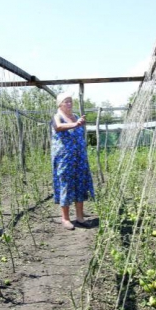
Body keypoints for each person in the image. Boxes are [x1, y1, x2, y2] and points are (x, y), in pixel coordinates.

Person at [51, 92, 95, 230]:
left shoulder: (75, 117)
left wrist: (78, 122)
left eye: (70, 101)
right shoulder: (57, 117)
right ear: (60, 104)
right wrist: (76, 124)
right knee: (66, 185)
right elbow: (58, 127)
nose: (69, 104)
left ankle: (80, 217)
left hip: (79, 157)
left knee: (80, 184)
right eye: (66, 101)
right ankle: (65, 219)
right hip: (65, 158)